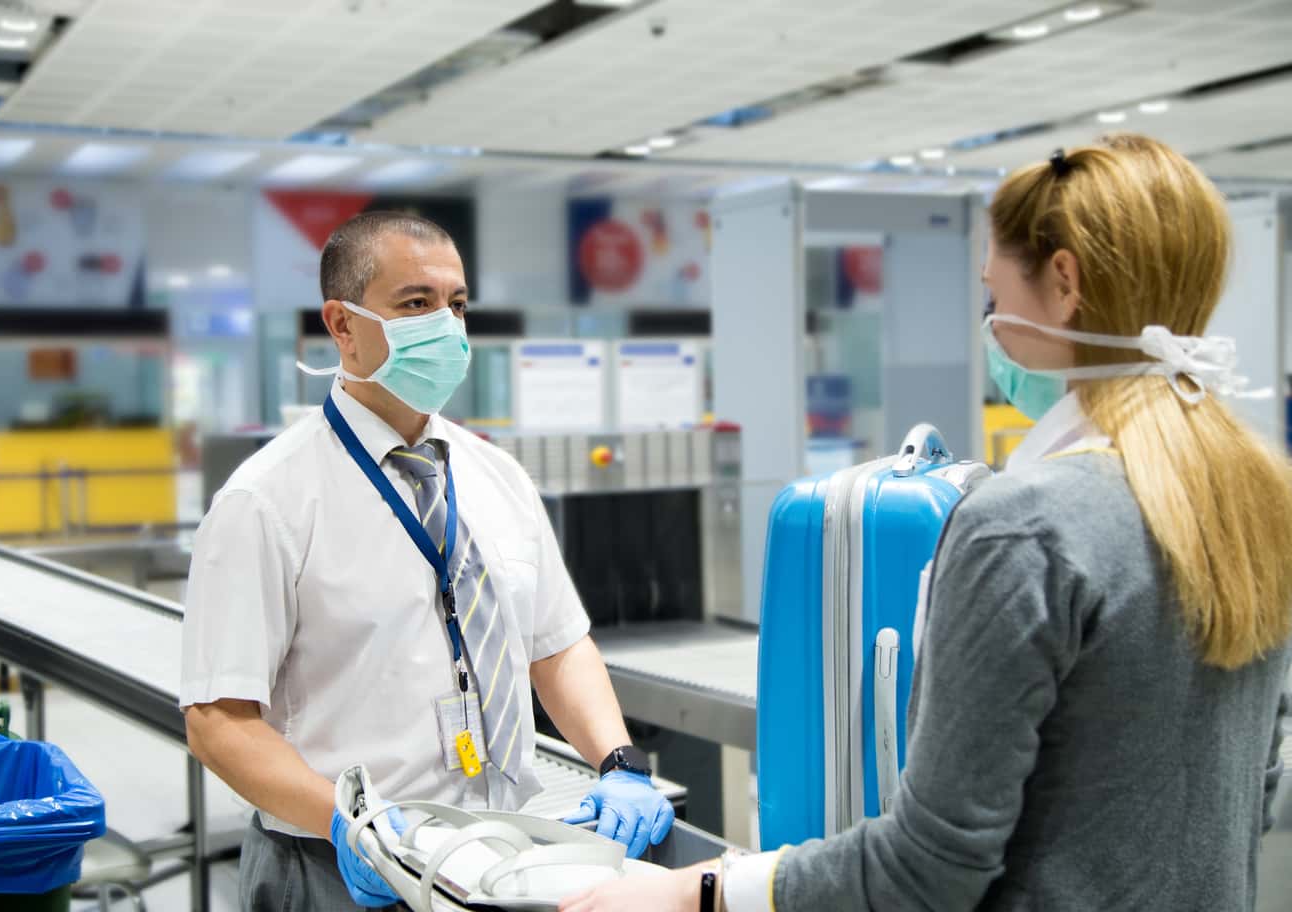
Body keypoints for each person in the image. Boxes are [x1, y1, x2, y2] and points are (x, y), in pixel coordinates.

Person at [561, 134, 1292, 912]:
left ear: (1065, 279)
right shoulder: (1253, 498)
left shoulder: (1026, 525)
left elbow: (933, 864)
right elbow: (1258, 783)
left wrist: (695, 893)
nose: (992, 323)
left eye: (993, 295)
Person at [180, 211, 673, 909]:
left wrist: (618, 762)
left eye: (457, 304)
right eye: (416, 304)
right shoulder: (267, 501)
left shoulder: (497, 476)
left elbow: (558, 645)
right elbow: (218, 721)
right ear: (342, 325)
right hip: (337, 869)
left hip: (501, 854)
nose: (447, 326)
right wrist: (351, 825)